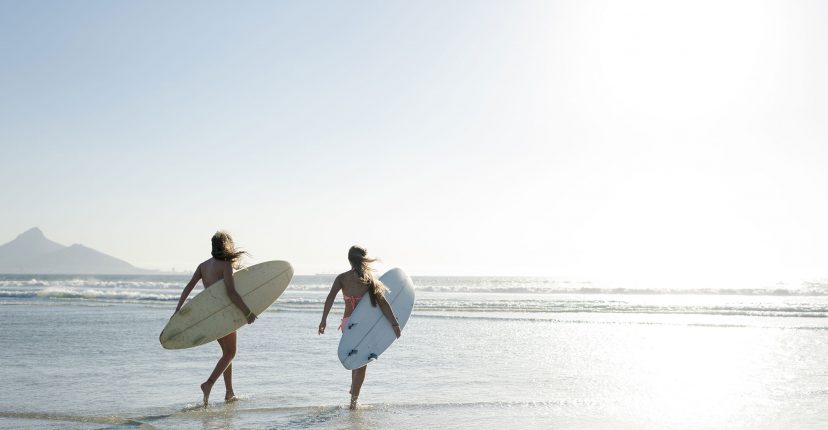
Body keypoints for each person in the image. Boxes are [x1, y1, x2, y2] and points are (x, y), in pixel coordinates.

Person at [173, 231, 257, 406]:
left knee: (226, 354)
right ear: (227, 245)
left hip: (210, 316)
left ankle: (229, 392)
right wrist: (247, 312)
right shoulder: (225, 264)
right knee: (231, 353)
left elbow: (189, 286)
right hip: (224, 314)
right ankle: (208, 384)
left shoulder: (203, 266)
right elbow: (231, 292)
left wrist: (178, 309)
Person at [318, 246, 401, 410]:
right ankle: (353, 401)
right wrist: (395, 324)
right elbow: (383, 304)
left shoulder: (342, 278)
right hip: (364, 325)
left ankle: (353, 390)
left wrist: (323, 320)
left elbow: (329, 299)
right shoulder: (369, 280)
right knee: (362, 362)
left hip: (348, 324)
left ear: (349, 259)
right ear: (364, 260)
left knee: (355, 357)